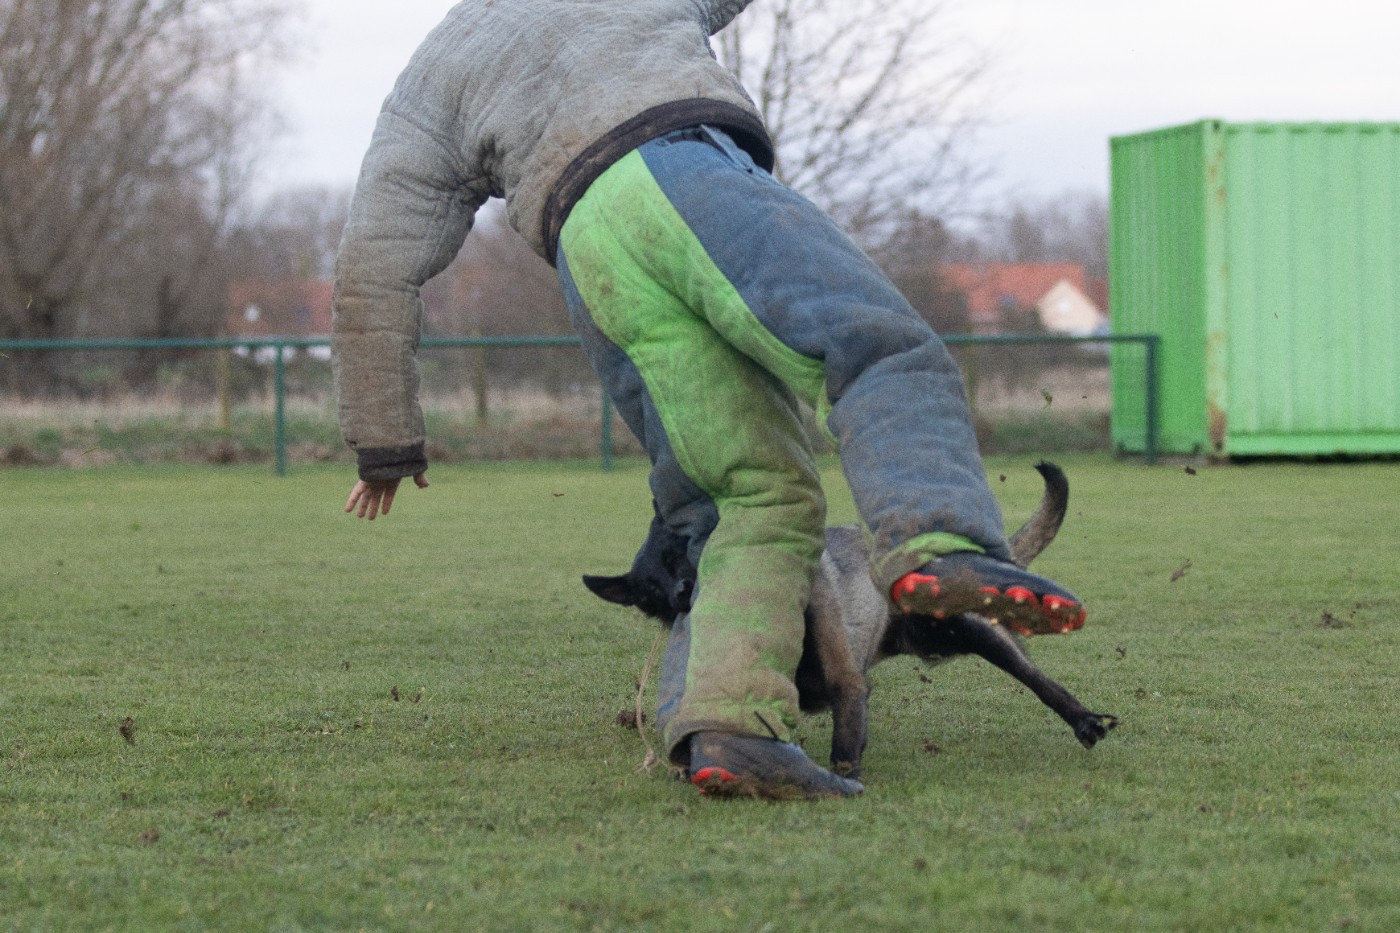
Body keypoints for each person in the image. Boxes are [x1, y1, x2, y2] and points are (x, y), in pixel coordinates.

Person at [335, 0, 1085, 800]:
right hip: (684, 172)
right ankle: (943, 541)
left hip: (589, 255)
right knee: (878, 343)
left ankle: (730, 728)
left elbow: (372, 262)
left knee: (750, 495)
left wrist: (385, 445)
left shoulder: (425, 82)